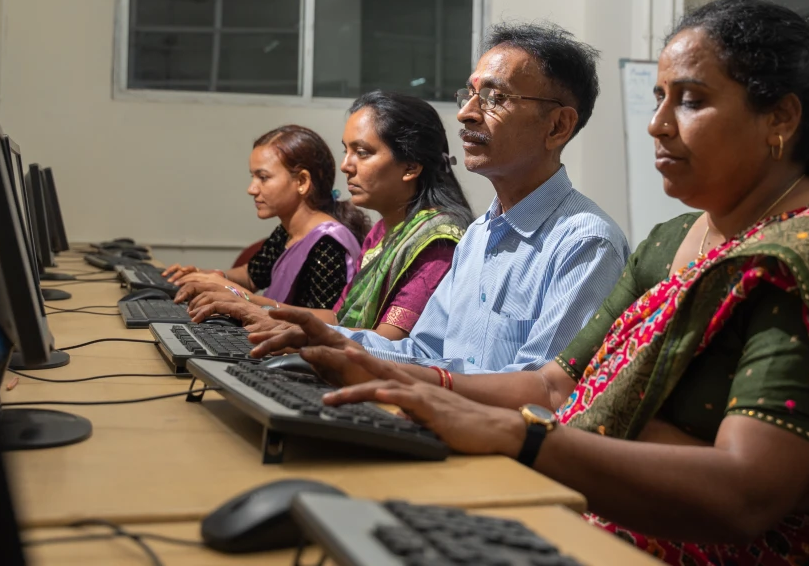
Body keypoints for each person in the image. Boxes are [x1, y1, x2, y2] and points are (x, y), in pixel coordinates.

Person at [255, 0, 809, 566]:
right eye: (658, 97)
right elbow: (561, 385)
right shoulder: (669, 243)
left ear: (779, 119)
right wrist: (411, 382)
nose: (656, 125)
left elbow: (747, 495)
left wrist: (521, 440)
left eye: (689, 100)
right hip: (603, 509)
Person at [254, 22, 631, 374]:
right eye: (469, 94)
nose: (466, 114)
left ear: (558, 126)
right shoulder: (478, 236)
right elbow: (422, 352)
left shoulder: (585, 243)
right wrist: (320, 337)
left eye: (494, 98)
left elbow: (542, 390)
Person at [176, 92, 474, 341]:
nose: (346, 166)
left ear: (410, 167)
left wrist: (256, 310)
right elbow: (337, 316)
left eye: (363, 152)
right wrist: (244, 302)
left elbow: (387, 342)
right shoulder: (383, 231)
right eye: (346, 151)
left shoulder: (436, 242)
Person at [161, 125, 368, 310]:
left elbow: (326, 321)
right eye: (253, 177)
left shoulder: (328, 243)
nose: (251, 189)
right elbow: (252, 276)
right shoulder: (287, 230)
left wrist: (236, 295)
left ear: (302, 181)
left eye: (263, 178)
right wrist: (210, 276)